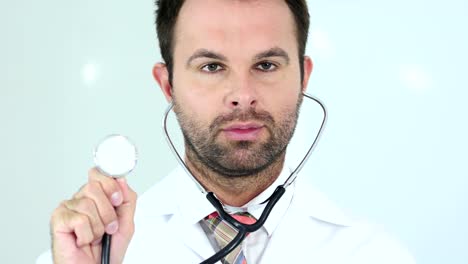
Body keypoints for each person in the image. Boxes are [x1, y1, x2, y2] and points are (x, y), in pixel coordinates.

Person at [37, 0, 416, 263]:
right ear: (167, 85)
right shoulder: (90, 253)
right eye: (212, 67)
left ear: (303, 78)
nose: (242, 95)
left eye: (266, 65)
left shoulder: (376, 255)